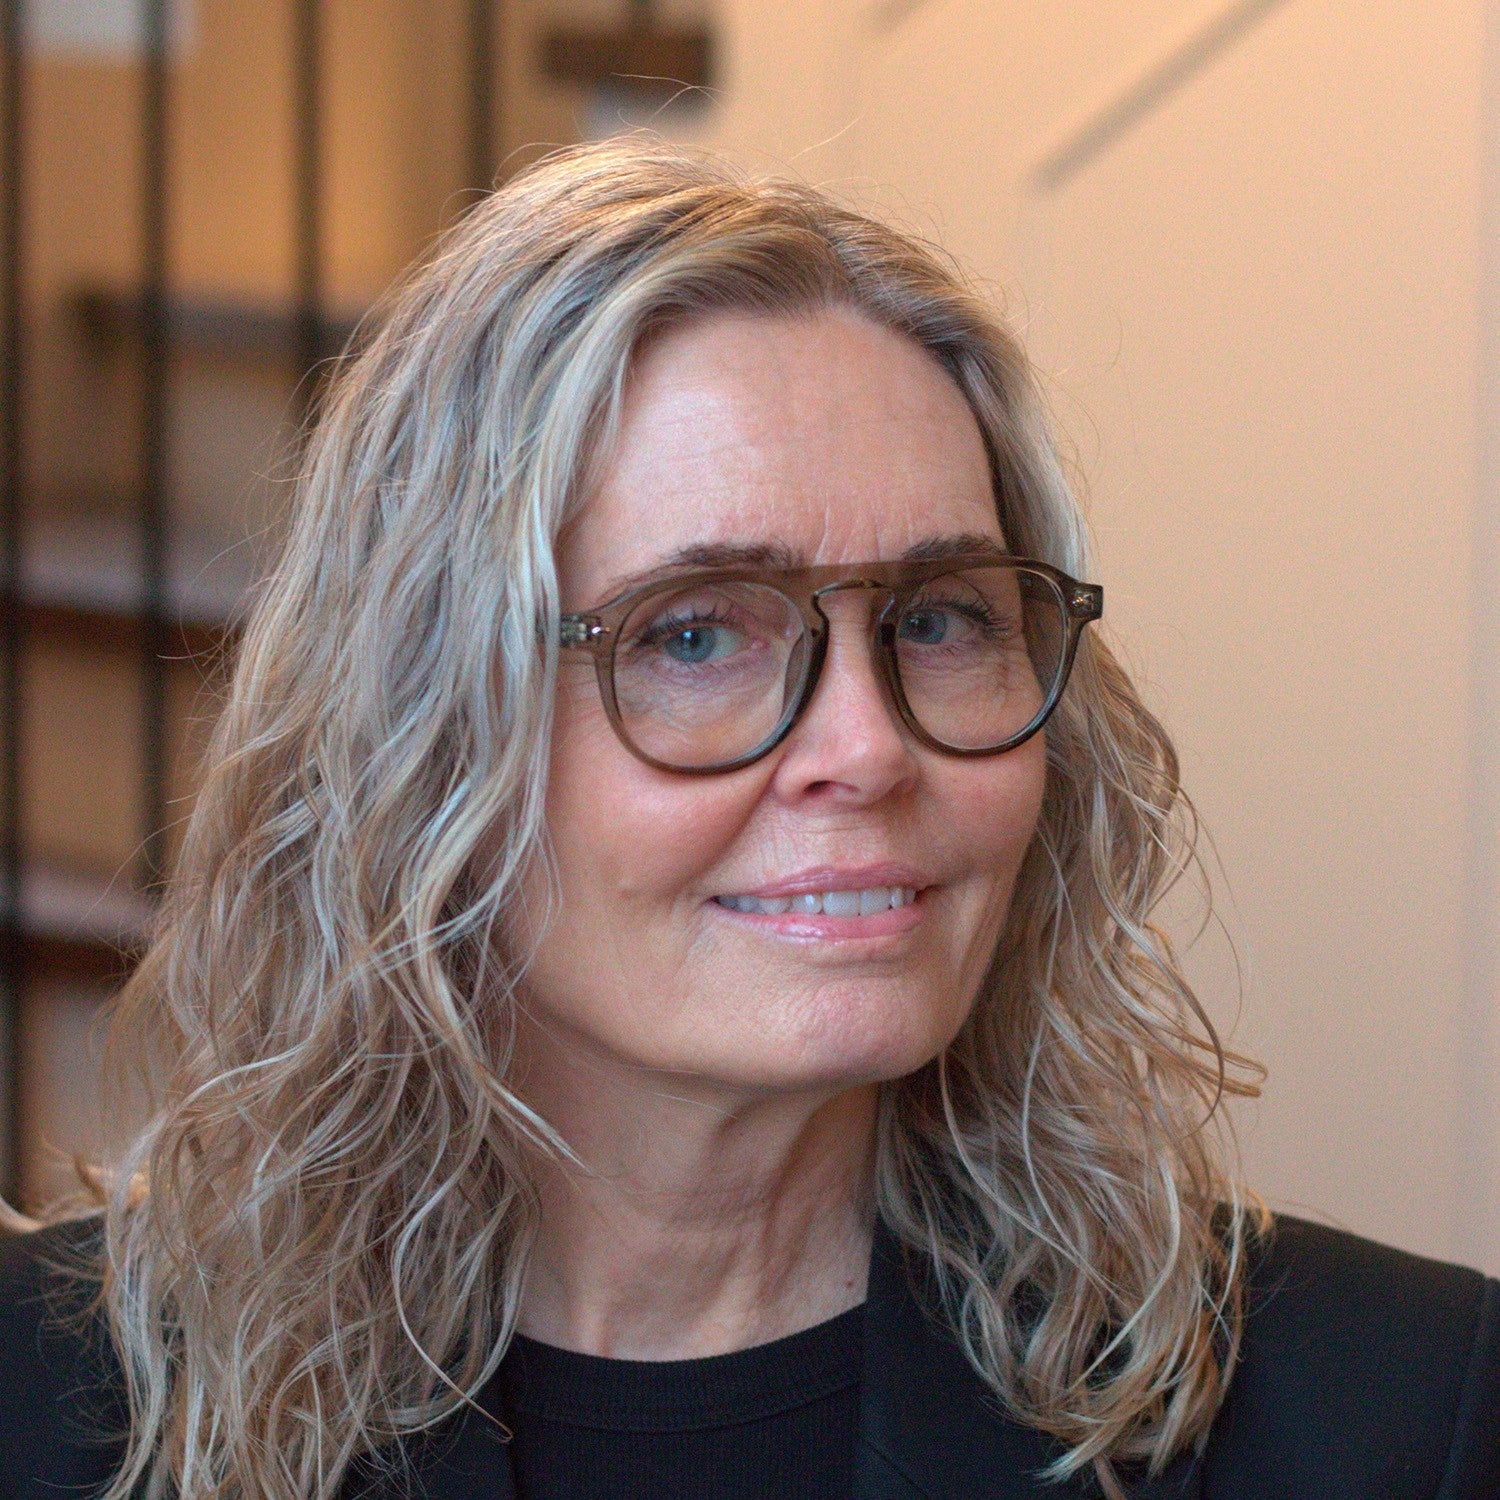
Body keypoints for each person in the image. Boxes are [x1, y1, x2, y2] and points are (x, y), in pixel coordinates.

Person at [1, 139, 1496, 1500]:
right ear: (418, 722)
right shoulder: (46, 1403)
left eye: (941, 618)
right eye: (695, 633)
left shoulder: (1403, 1415)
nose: (867, 749)